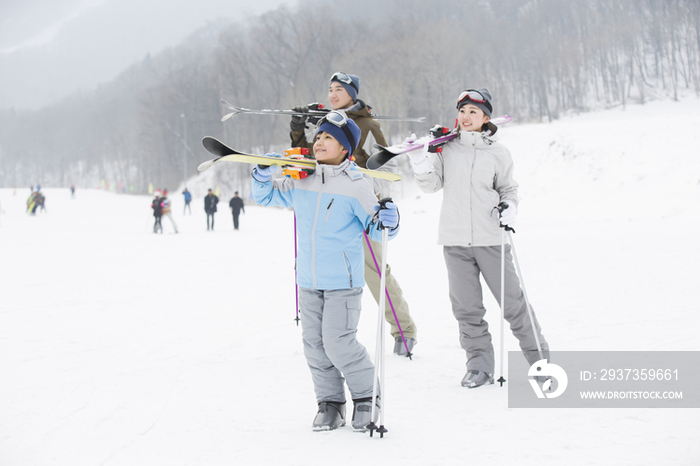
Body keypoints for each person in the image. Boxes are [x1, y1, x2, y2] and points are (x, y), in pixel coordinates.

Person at [253, 112, 400, 432]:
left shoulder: (356, 185)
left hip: (342, 282)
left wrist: (389, 218)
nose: (319, 142)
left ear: (345, 149)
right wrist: (262, 174)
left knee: (338, 342)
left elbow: (378, 230)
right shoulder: (300, 178)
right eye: (318, 137)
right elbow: (263, 195)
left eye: (328, 138)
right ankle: (330, 402)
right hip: (308, 280)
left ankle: (366, 396)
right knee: (314, 346)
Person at [409, 88, 550, 388]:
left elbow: (508, 189)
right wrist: (421, 164)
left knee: (513, 304)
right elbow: (432, 185)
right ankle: (479, 366)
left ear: (486, 117)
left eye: (473, 111)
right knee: (467, 308)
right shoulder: (446, 149)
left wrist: (510, 206)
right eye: (462, 111)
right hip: (455, 241)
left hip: (491, 240)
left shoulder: (498, 153)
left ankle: (539, 361)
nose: (466, 116)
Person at [290, 72, 418, 357]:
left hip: (359, 205)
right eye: (330, 89)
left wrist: (367, 193)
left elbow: (386, 168)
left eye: (339, 89)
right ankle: (324, 338)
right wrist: (298, 129)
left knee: (373, 270)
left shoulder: (368, 125)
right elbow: (304, 161)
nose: (333, 94)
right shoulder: (323, 125)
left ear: (352, 94)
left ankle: (404, 330)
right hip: (326, 209)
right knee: (320, 270)